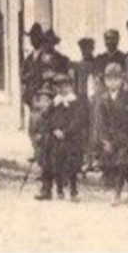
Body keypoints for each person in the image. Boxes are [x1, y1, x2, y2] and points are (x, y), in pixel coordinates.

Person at [94, 62, 128, 206]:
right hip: (111, 138)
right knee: (124, 167)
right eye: (109, 79)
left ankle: (117, 194)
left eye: (116, 79)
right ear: (105, 81)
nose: (113, 83)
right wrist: (105, 140)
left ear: (122, 80)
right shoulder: (102, 99)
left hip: (127, 137)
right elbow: (100, 122)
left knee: (122, 164)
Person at [37, 73, 90, 202]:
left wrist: (66, 132)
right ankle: (59, 189)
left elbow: (78, 120)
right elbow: (47, 118)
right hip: (57, 138)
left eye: (65, 86)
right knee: (57, 163)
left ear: (71, 87)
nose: (62, 89)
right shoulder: (56, 102)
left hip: (71, 139)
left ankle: (73, 190)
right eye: (59, 87)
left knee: (72, 165)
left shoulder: (76, 102)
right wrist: (54, 129)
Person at [73, 38, 101, 103]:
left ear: (92, 49)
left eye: (88, 49)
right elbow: (76, 83)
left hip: (94, 96)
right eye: (83, 49)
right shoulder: (78, 65)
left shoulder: (97, 64)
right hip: (81, 97)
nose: (85, 52)